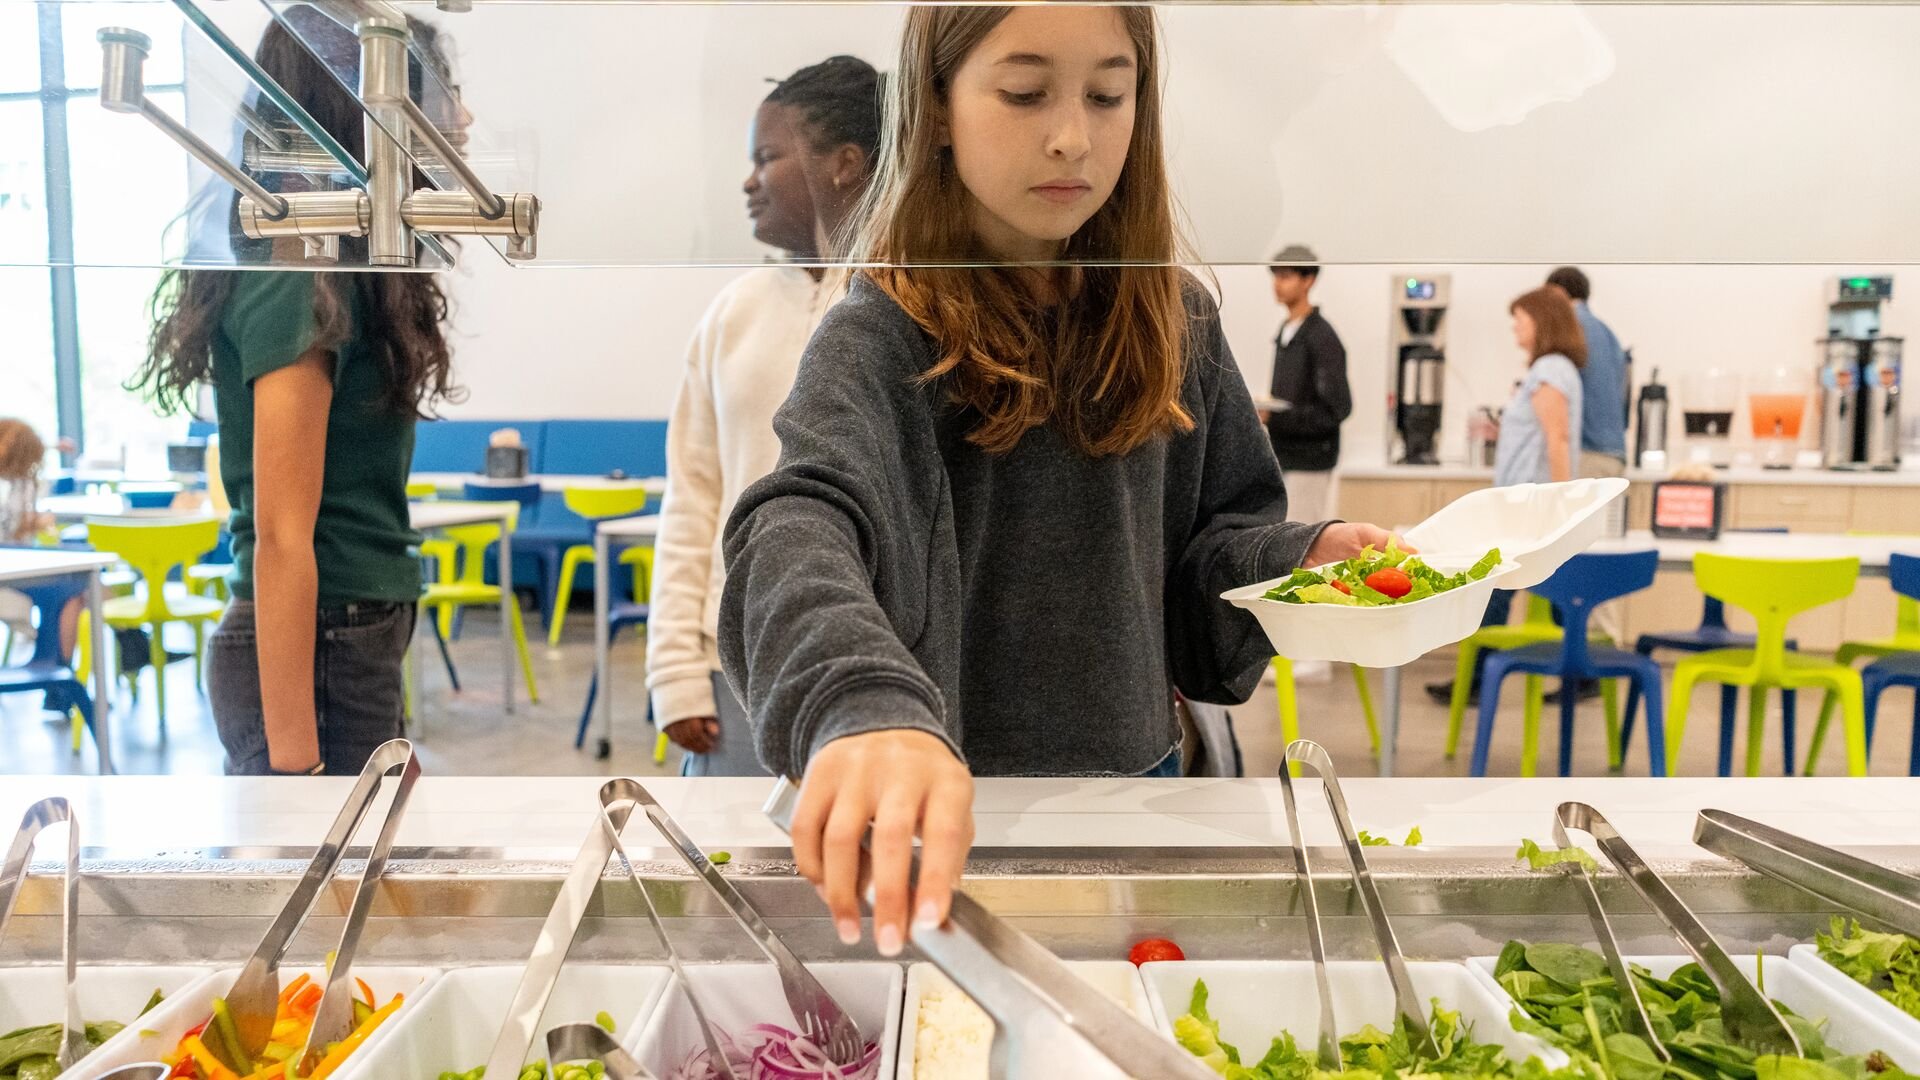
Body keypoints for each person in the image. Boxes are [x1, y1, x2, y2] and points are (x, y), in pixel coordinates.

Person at [719, 7, 1402, 958]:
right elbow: (798, 523)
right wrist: (859, 702)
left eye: (1108, 95)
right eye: (1026, 92)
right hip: (949, 809)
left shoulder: (1176, 317)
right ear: (940, 105)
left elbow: (1208, 544)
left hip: (1142, 792)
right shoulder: (884, 326)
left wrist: (1296, 561)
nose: (1073, 134)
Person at [130, 12, 463, 776]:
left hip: (343, 642)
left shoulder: (336, 264)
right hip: (316, 648)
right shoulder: (292, 268)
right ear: (367, 110)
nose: (461, 117)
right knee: (327, 888)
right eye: (438, 95)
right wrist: (297, 771)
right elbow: (282, 537)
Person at [647, 55, 884, 776]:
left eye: (767, 157)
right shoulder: (732, 313)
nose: (749, 181)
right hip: (742, 658)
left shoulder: (913, 302)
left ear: (845, 164)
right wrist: (676, 669)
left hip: (883, 657)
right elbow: (693, 496)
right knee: (733, 878)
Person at [1427, 285, 1587, 704]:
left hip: (1529, 511)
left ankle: (1476, 680)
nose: (1515, 326)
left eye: (1521, 318)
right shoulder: (1551, 368)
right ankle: (1571, 670)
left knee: (1496, 593)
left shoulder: (1551, 368)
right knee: (1533, 595)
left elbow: (1557, 438)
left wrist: (1561, 504)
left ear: (1542, 321)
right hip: (1525, 507)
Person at [1262, 244, 1350, 524]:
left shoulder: (1322, 337)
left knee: (1300, 544)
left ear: (1308, 280)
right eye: (1276, 276)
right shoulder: (1287, 330)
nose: (1277, 284)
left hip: (1310, 462)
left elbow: (1338, 409)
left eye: (1286, 276)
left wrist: (1276, 417)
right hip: (1284, 456)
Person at [1546, 266, 1627, 477]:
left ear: (1557, 293)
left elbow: (1556, 392)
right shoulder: (1608, 333)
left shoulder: (1569, 330)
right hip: (1614, 453)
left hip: (1586, 452)